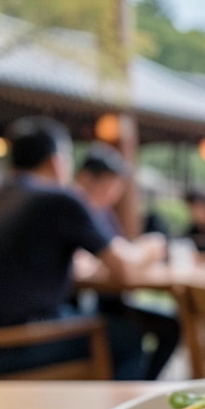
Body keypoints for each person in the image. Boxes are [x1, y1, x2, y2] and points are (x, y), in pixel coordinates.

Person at [0, 117, 140, 379]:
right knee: (126, 338)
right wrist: (153, 248)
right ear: (56, 163)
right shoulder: (57, 198)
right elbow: (125, 268)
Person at [72, 143, 180, 380]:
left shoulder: (103, 213)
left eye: (117, 187)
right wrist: (143, 250)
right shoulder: (72, 205)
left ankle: (144, 385)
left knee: (171, 325)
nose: (113, 193)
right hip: (77, 307)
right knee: (128, 337)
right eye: (109, 185)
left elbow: (115, 255)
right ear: (86, 178)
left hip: (109, 300)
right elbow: (111, 263)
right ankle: (127, 396)